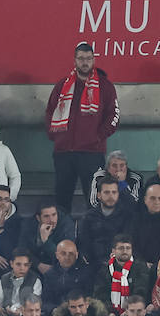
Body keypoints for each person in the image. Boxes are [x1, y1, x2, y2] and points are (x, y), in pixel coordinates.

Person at [45, 42, 120, 215]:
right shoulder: (62, 86)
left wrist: (97, 137)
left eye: (88, 59)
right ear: (75, 61)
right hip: (63, 152)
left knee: (94, 200)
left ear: (93, 60)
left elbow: (113, 116)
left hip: (91, 153)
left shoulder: (105, 86)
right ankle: (63, 238)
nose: (84, 62)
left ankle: (93, 238)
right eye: (81, 59)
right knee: (61, 201)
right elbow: (50, 111)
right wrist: (55, 135)